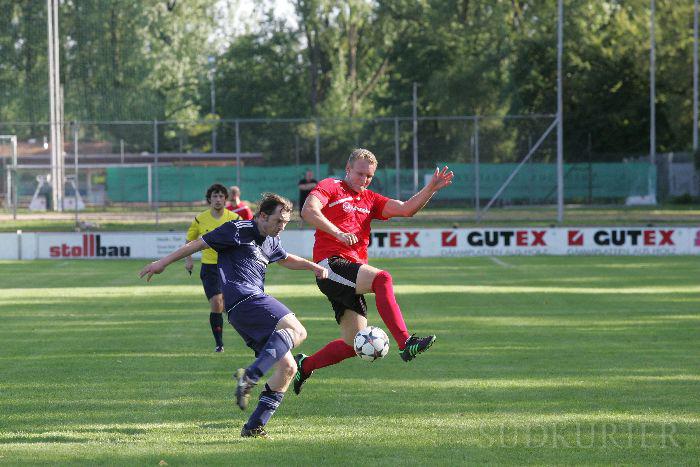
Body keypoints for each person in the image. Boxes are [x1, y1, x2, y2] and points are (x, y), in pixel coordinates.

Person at [140, 193, 328, 438]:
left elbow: (285, 258)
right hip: (245, 298)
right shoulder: (236, 229)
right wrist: (162, 262)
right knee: (298, 330)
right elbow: (198, 244)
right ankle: (250, 376)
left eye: (285, 223)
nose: (281, 227)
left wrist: (312, 266)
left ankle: (253, 427)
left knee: (288, 368)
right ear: (262, 216)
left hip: (243, 311)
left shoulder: (271, 240)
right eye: (278, 221)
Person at [294, 148, 454, 395]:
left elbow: (406, 209)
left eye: (369, 176)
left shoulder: (370, 199)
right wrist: (336, 232)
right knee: (382, 278)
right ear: (348, 169)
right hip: (330, 265)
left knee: (353, 344)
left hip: (349, 274)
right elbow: (308, 210)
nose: (364, 180)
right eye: (360, 174)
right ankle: (405, 343)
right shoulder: (331, 186)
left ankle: (305, 365)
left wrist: (430, 188)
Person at [185, 184, 240, 352]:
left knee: (230, 304)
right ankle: (219, 344)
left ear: (226, 199)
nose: (218, 199)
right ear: (209, 199)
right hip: (209, 268)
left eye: (221, 196)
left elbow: (243, 241)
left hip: (230, 266)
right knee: (217, 303)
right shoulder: (200, 219)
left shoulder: (234, 218)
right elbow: (190, 240)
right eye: (214, 196)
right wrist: (188, 260)